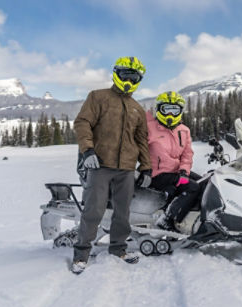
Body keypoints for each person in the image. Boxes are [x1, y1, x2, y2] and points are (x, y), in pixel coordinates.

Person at [71, 56, 152, 274]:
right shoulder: (98, 97)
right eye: (125, 74)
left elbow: (141, 140)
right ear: (116, 73)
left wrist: (146, 166)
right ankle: (81, 254)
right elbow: (82, 122)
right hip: (99, 165)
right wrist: (87, 150)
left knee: (122, 212)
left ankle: (118, 248)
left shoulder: (137, 108)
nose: (128, 79)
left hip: (126, 168)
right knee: (93, 211)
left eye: (133, 76)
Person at [146, 91, 201, 232]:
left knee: (204, 182)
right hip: (157, 173)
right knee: (193, 187)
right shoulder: (150, 128)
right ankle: (167, 219)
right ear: (159, 110)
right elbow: (136, 148)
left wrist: (184, 171)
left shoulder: (184, 130)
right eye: (166, 110)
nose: (170, 115)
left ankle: (194, 220)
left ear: (180, 112)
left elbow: (187, 154)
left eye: (174, 110)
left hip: (176, 171)